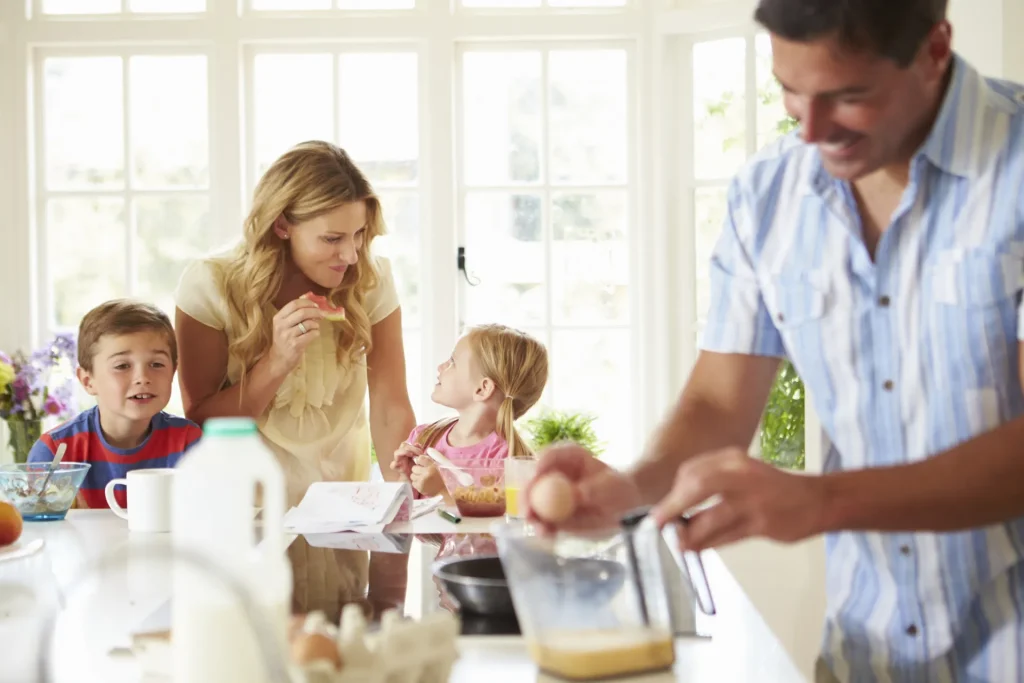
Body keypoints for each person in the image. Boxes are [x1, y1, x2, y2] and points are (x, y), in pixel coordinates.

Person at [528, 1, 1024, 680]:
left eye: (849, 96)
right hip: (863, 657)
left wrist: (820, 501)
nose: (812, 130)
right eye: (791, 91)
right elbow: (718, 402)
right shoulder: (769, 193)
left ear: (935, 49)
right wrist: (631, 488)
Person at [173, 140, 416, 615]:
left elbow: (390, 406)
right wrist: (276, 362)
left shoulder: (372, 279)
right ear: (282, 224)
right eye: (332, 238)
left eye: (360, 234)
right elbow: (201, 421)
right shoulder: (209, 284)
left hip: (346, 513)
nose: (350, 253)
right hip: (250, 518)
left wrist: (404, 509)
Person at [28, 300, 202, 509]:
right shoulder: (54, 451)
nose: (142, 377)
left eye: (156, 364)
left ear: (173, 372)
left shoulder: (190, 443)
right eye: (122, 366)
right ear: (87, 381)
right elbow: (42, 531)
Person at [391, 324, 548, 502]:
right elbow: (408, 514)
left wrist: (442, 489)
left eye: (453, 362)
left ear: (482, 389)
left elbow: (497, 521)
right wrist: (406, 477)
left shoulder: (508, 459)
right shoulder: (424, 437)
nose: (441, 367)